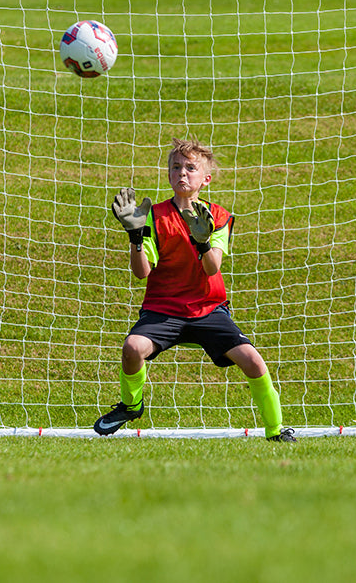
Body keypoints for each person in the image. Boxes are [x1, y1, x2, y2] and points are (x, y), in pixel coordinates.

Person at [94, 137, 296, 442]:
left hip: (208, 308)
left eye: (191, 167)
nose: (182, 173)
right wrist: (135, 237)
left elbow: (212, 267)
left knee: (253, 361)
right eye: (176, 167)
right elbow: (141, 273)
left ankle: (276, 431)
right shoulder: (153, 215)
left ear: (206, 179)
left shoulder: (218, 216)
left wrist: (202, 242)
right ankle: (131, 406)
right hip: (163, 309)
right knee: (132, 348)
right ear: (168, 174)